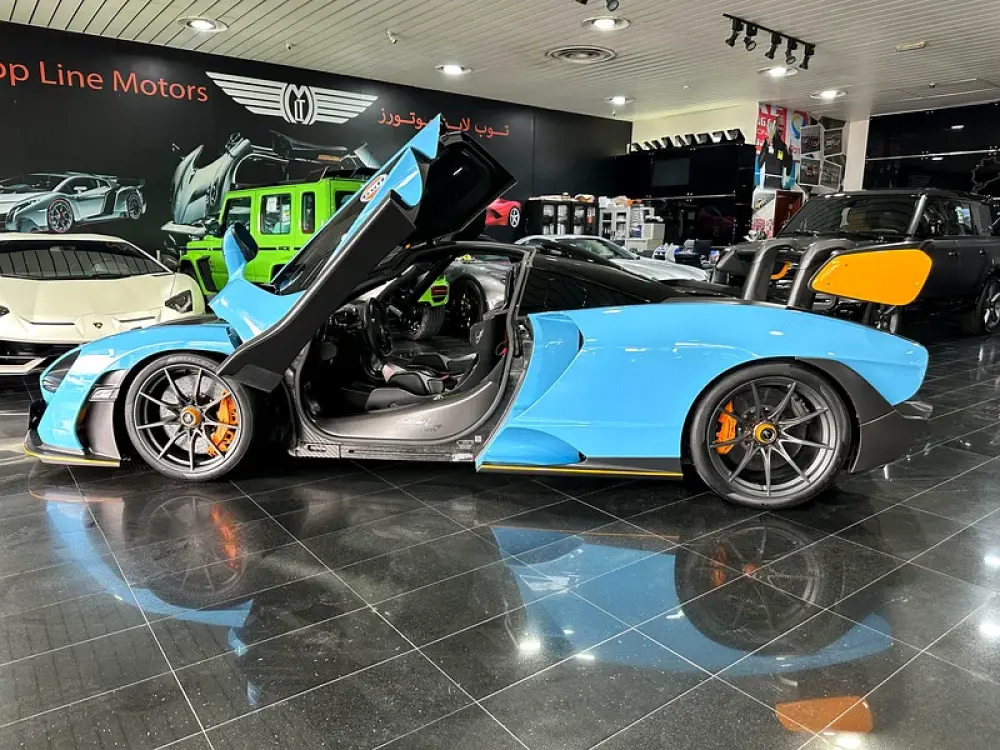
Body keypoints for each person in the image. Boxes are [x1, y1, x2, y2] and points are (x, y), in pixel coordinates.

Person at [757, 118, 792, 188]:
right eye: (779, 126)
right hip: (768, 183)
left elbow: (788, 172)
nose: (781, 129)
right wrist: (767, 146)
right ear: (775, 126)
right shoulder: (768, 142)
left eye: (782, 127)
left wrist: (790, 155)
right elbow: (759, 164)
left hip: (778, 185)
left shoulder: (783, 146)